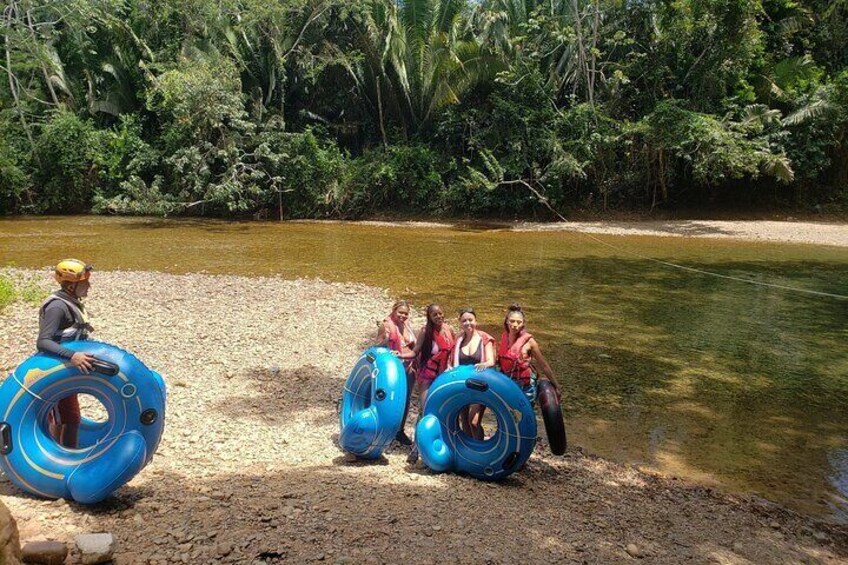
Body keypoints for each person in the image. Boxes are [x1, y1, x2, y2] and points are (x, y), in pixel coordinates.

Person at [37, 259, 96, 448]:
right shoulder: (57, 307)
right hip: (55, 370)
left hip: (67, 370)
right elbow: (43, 342)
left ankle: (68, 454)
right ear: (71, 285)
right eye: (85, 283)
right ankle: (59, 461)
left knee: (71, 417)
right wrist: (73, 356)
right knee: (66, 419)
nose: (89, 286)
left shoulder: (71, 302)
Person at [406, 304, 455, 463]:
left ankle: (439, 443)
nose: (438, 316)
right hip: (427, 375)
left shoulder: (449, 330)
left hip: (442, 376)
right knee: (425, 409)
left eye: (440, 313)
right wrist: (400, 355)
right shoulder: (425, 332)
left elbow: (453, 354)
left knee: (442, 410)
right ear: (429, 317)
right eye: (434, 314)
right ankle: (415, 447)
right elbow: (416, 351)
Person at [497, 303, 559, 404]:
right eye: (512, 321)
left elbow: (543, 365)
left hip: (524, 387)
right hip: (506, 383)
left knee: (525, 416)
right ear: (507, 321)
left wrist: (556, 386)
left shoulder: (529, 342)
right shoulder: (504, 337)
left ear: (523, 324)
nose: (515, 325)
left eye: (519, 322)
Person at [449, 308, 495, 440]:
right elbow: (452, 361)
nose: (468, 323)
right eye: (464, 320)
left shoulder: (484, 339)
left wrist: (484, 364)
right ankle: (469, 454)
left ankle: (480, 450)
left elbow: (491, 360)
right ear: (460, 322)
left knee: (473, 421)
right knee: (464, 421)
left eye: (470, 320)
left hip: (480, 385)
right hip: (462, 386)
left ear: (476, 321)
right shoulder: (459, 340)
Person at [376, 300, 417, 446]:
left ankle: (400, 431)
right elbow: (377, 347)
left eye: (406, 313)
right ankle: (384, 430)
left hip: (409, 366)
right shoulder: (386, 326)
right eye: (400, 312)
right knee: (390, 399)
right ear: (394, 311)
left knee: (405, 399)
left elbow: (413, 344)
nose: (403, 316)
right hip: (392, 369)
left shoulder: (407, 325)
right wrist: (386, 341)